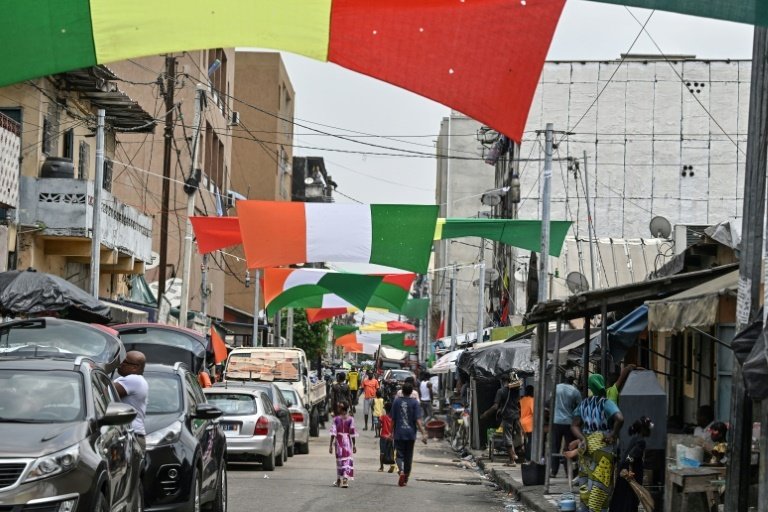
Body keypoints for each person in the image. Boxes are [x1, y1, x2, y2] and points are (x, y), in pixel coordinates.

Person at [572, 374, 624, 512]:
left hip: (586, 448)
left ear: (590, 387)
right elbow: (620, 418)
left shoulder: (583, 404)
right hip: (603, 449)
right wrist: (612, 434)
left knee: (585, 485)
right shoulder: (606, 403)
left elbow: (574, 425)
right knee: (600, 488)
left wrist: (583, 439)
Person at [609, 416, 653, 512]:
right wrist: (629, 472)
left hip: (625, 470)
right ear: (644, 429)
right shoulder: (641, 441)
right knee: (630, 499)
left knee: (622, 498)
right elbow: (631, 457)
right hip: (631, 472)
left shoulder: (635, 438)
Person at [480, 372, 523, 466]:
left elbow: (495, 407)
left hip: (507, 417)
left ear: (503, 381)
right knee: (512, 437)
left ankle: (512, 460)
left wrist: (485, 414)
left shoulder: (501, 391)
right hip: (516, 416)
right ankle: (514, 455)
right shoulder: (516, 391)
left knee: (507, 438)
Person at [391, 382, 428, 486]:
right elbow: (418, 420)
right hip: (410, 434)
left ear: (402, 391)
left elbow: (393, 419)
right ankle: (406, 477)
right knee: (408, 457)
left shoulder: (397, 401)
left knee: (399, 455)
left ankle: (401, 471)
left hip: (399, 433)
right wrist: (423, 433)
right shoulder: (415, 403)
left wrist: (390, 432)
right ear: (412, 392)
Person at [113, 350, 149, 449]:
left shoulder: (134, 379)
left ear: (135, 367)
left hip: (131, 436)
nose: (120, 364)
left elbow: (104, 392)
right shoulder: (137, 380)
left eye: (125, 362)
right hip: (133, 435)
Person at [551, 370, 582, 477]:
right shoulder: (575, 391)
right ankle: (569, 472)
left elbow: (550, 401)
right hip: (569, 422)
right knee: (570, 447)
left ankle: (553, 471)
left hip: (556, 421)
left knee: (555, 447)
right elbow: (580, 407)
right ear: (573, 380)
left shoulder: (556, 388)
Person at [329, 401, 357, 488]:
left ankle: (339, 480)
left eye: (339, 407)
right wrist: (354, 445)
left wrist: (330, 445)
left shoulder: (336, 419)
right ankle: (344, 480)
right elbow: (352, 433)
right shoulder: (350, 419)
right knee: (347, 460)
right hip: (348, 442)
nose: (337, 409)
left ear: (341, 409)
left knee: (339, 461)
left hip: (339, 442)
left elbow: (333, 433)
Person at [378, 401, 396, 473]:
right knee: (392, 451)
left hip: (383, 436)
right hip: (392, 437)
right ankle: (392, 465)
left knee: (382, 452)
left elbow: (378, 426)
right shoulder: (394, 418)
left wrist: (381, 427)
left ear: (385, 409)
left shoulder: (383, 417)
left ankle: (381, 467)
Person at [519, 385, 534, 462]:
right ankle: (528, 457)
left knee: (526, 440)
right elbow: (533, 412)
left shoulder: (522, 400)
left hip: (522, 422)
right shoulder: (531, 400)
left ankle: (526, 457)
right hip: (529, 423)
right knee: (531, 441)